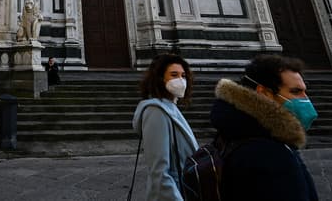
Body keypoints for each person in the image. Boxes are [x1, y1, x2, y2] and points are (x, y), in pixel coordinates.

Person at [210, 54, 319, 201]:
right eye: (295, 91)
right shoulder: (269, 153)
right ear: (264, 93)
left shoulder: (236, 130)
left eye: (304, 91)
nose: (305, 99)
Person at [132, 54, 199, 201]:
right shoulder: (156, 111)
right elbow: (159, 171)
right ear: (160, 78)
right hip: (172, 192)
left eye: (183, 75)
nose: (180, 80)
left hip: (184, 188)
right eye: (174, 75)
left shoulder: (171, 107)